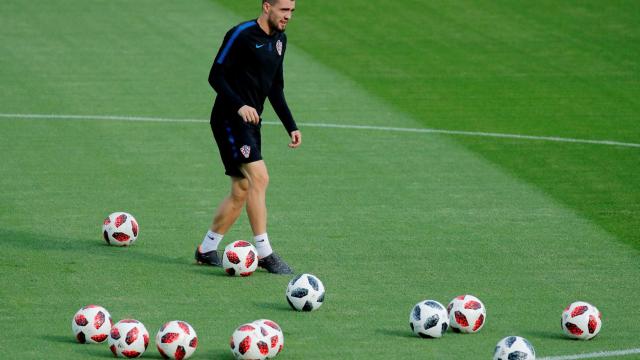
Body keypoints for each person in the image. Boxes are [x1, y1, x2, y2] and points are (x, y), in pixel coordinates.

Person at [195, 0, 300, 274]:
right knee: (259, 177)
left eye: (291, 11)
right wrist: (239, 105)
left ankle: (206, 249)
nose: (288, 16)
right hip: (230, 118)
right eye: (283, 10)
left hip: (252, 124)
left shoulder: (280, 40)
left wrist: (291, 125)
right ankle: (265, 252)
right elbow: (215, 75)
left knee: (241, 189)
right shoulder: (241, 34)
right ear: (267, 7)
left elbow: (275, 88)